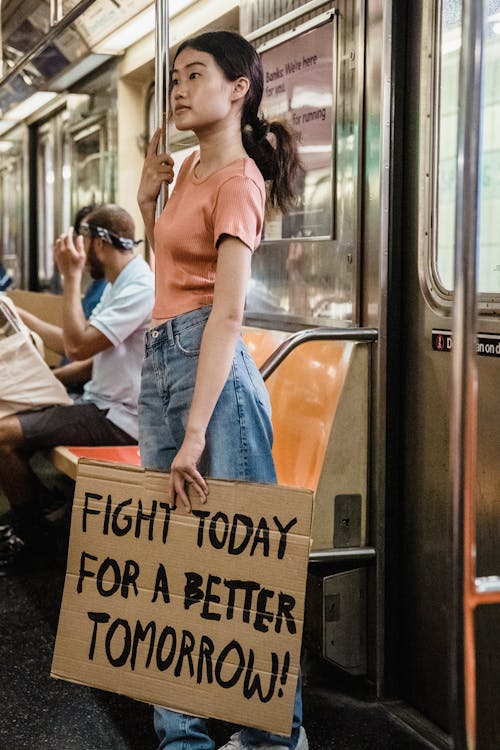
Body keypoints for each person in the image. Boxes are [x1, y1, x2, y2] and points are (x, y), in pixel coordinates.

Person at [137, 31, 306, 750]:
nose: (177, 88)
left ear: (238, 89)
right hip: (163, 360)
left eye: (193, 75)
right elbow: (172, 277)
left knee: (244, 571)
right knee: (165, 561)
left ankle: (275, 739)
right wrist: (147, 201)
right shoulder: (186, 176)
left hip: (215, 380)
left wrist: (197, 430)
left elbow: (227, 313)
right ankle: (183, 741)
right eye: (173, 78)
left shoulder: (239, 179)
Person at [0, 204, 155, 572]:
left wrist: (70, 279)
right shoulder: (122, 283)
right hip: (97, 402)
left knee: (2, 435)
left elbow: (77, 346)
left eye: (84, 243)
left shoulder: (141, 286)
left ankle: (36, 536)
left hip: (120, 417)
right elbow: (83, 352)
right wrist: (18, 314)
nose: (82, 257)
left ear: (100, 242)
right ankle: (43, 510)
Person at [16, 205, 109, 392]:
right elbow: (70, 342)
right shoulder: (96, 288)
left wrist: (45, 381)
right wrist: (16, 313)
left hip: (82, 390)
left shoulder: (111, 289)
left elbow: (83, 358)